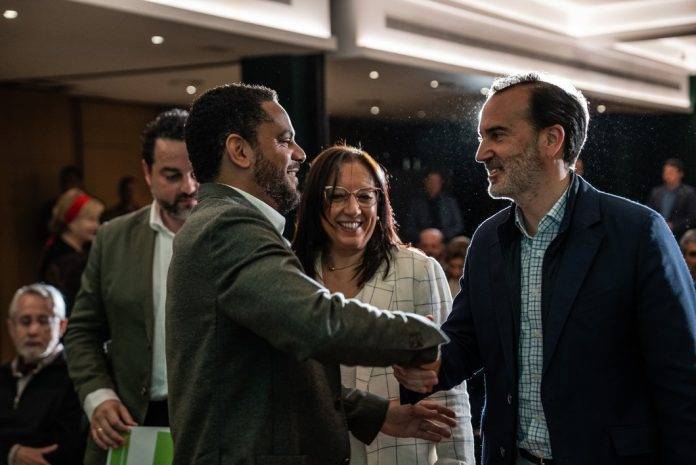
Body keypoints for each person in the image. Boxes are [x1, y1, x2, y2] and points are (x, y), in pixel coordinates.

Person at [395, 72, 696, 465]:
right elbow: (467, 341)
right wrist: (431, 365)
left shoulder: (637, 232)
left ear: (552, 140)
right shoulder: (487, 240)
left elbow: (681, 380)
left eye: (497, 135)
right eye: (481, 137)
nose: (481, 153)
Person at [166, 83, 456, 465]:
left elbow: (276, 369)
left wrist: (377, 413)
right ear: (240, 150)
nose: (300, 154)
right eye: (285, 140)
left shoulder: (226, 224)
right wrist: (424, 338)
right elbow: (317, 321)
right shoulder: (229, 227)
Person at [293, 144, 474, 465]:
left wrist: (456, 461)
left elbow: (450, 390)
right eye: (336, 196)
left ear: (381, 203)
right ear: (313, 204)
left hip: (400, 453)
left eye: (365, 196)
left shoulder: (417, 269)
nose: (353, 209)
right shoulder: (293, 275)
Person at [64, 109, 197, 465]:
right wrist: (98, 397)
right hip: (131, 424)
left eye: (196, 172)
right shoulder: (112, 238)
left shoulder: (232, 236)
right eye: (172, 175)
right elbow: (81, 332)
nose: (188, 187)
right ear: (146, 173)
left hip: (210, 428)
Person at [1, 284, 86, 465]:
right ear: (11, 327)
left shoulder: (77, 375)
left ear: (62, 326)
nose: (33, 331)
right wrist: (12, 452)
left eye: (43, 321)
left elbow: (62, 448)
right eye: (25, 321)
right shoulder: (2, 376)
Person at [38, 188, 104, 313]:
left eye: (97, 219)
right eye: (91, 220)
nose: (97, 226)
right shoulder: (66, 260)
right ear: (71, 221)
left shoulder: (63, 250)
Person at [403, 171, 464, 243]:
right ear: (425, 182)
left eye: (436, 182)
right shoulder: (416, 203)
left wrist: (442, 235)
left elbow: (458, 225)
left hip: (445, 241)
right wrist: (422, 235)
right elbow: (409, 226)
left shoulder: (450, 202)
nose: (433, 184)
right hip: (423, 242)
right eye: (430, 181)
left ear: (441, 183)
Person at [648, 158, 696, 239]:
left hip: (680, 236)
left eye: (671, 172)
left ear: (680, 174)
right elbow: (649, 212)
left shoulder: (689, 193)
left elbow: (692, 218)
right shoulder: (656, 192)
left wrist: (673, 226)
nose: (667, 175)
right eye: (665, 172)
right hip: (658, 235)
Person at [38, 165, 84, 242]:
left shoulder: (90, 206)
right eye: (65, 182)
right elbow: (43, 233)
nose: (67, 186)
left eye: (72, 181)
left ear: (80, 183)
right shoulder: (50, 207)